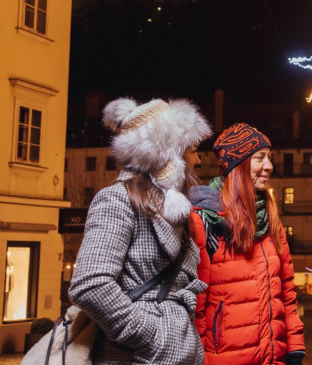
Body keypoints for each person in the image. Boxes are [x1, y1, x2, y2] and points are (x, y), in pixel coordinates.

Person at [68, 97, 211, 363]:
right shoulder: (116, 199)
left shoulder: (170, 207)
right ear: (169, 152)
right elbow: (90, 284)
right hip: (135, 356)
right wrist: (151, 337)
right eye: (192, 150)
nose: (199, 160)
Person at [188, 123, 305, 364]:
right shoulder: (204, 220)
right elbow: (196, 306)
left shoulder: (271, 220)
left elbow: (287, 291)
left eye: (269, 158)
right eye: (259, 158)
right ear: (237, 166)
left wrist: (294, 346)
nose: (269, 166)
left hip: (273, 357)